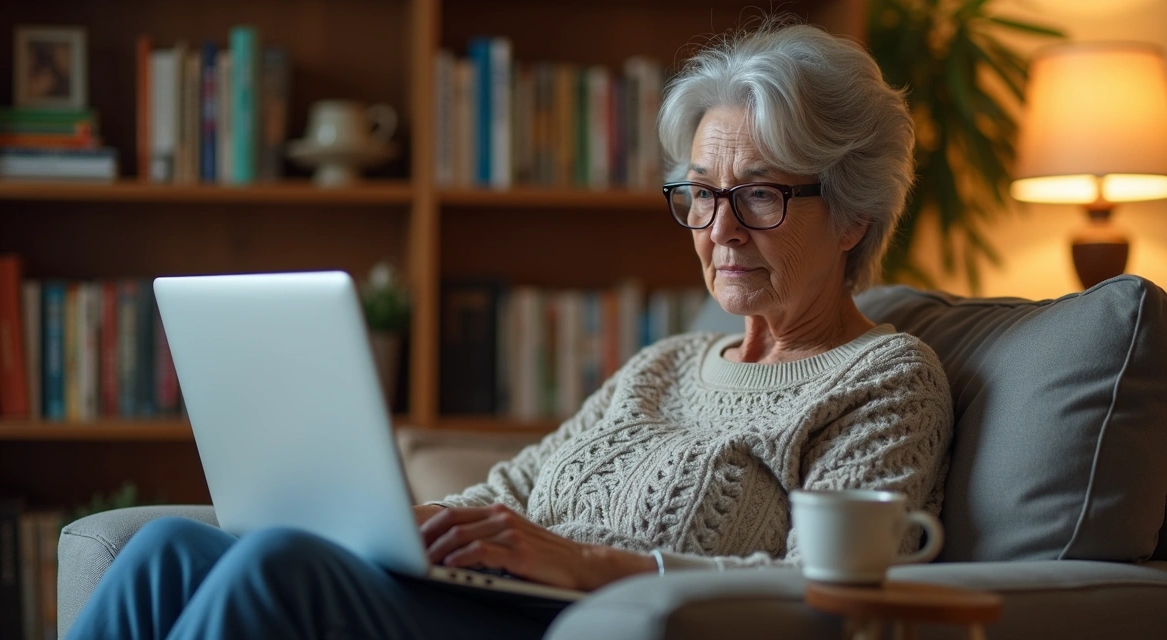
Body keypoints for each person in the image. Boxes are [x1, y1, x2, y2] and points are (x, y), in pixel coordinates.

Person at [65, 20, 952, 640]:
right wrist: (389, 521)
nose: (719, 230)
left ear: (853, 218)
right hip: (477, 601)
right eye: (701, 195)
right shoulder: (666, 364)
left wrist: (595, 565)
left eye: (759, 194)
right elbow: (507, 491)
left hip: (572, 626)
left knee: (275, 572)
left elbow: (839, 590)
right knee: (166, 551)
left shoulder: (883, 375)